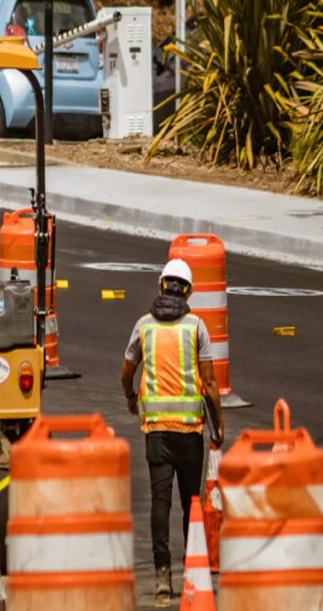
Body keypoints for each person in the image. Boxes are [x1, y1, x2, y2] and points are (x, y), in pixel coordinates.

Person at [120, 258, 224, 607]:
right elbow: (209, 383)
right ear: (189, 292)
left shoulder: (143, 326)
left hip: (157, 435)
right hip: (190, 434)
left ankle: (162, 578)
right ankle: (191, 570)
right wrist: (218, 426)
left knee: (160, 503)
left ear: (161, 285)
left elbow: (126, 371)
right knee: (190, 504)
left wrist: (131, 398)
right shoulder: (197, 328)